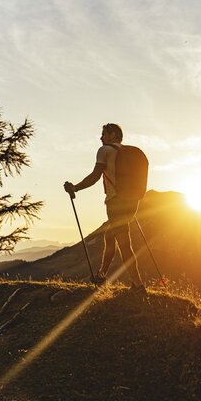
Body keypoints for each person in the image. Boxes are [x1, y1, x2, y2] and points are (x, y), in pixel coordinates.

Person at [64, 123, 144, 292]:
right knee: (110, 236)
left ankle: (138, 285)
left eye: (104, 134)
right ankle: (102, 275)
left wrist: (75, 188)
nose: (101, 138)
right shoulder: (127, 153)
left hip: (116, 202)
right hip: (132, 202)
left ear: (113, 135)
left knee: (124, 243)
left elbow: (95, 176)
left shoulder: (105, 151)